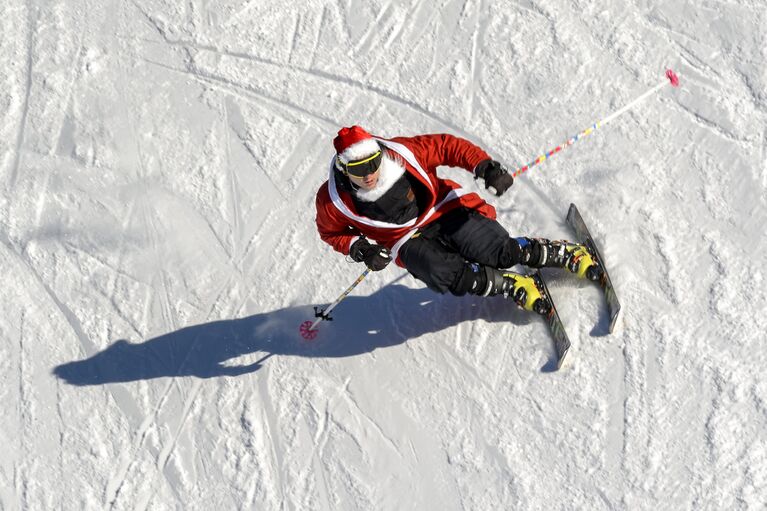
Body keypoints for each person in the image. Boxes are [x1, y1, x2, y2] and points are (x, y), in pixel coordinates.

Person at [314, 125, 600, 314]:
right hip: (404, 239)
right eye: (358, 167)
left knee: (495, 251)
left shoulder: (403, 154)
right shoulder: (333, 200)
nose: (368, 173)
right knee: (448, 274)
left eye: (372, 162)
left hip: (443, 208)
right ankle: (513, 284)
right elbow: (331, 232)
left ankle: (565, 253)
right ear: (343, 166)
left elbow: (447, 146)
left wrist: (484, 166)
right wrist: (359, 248)